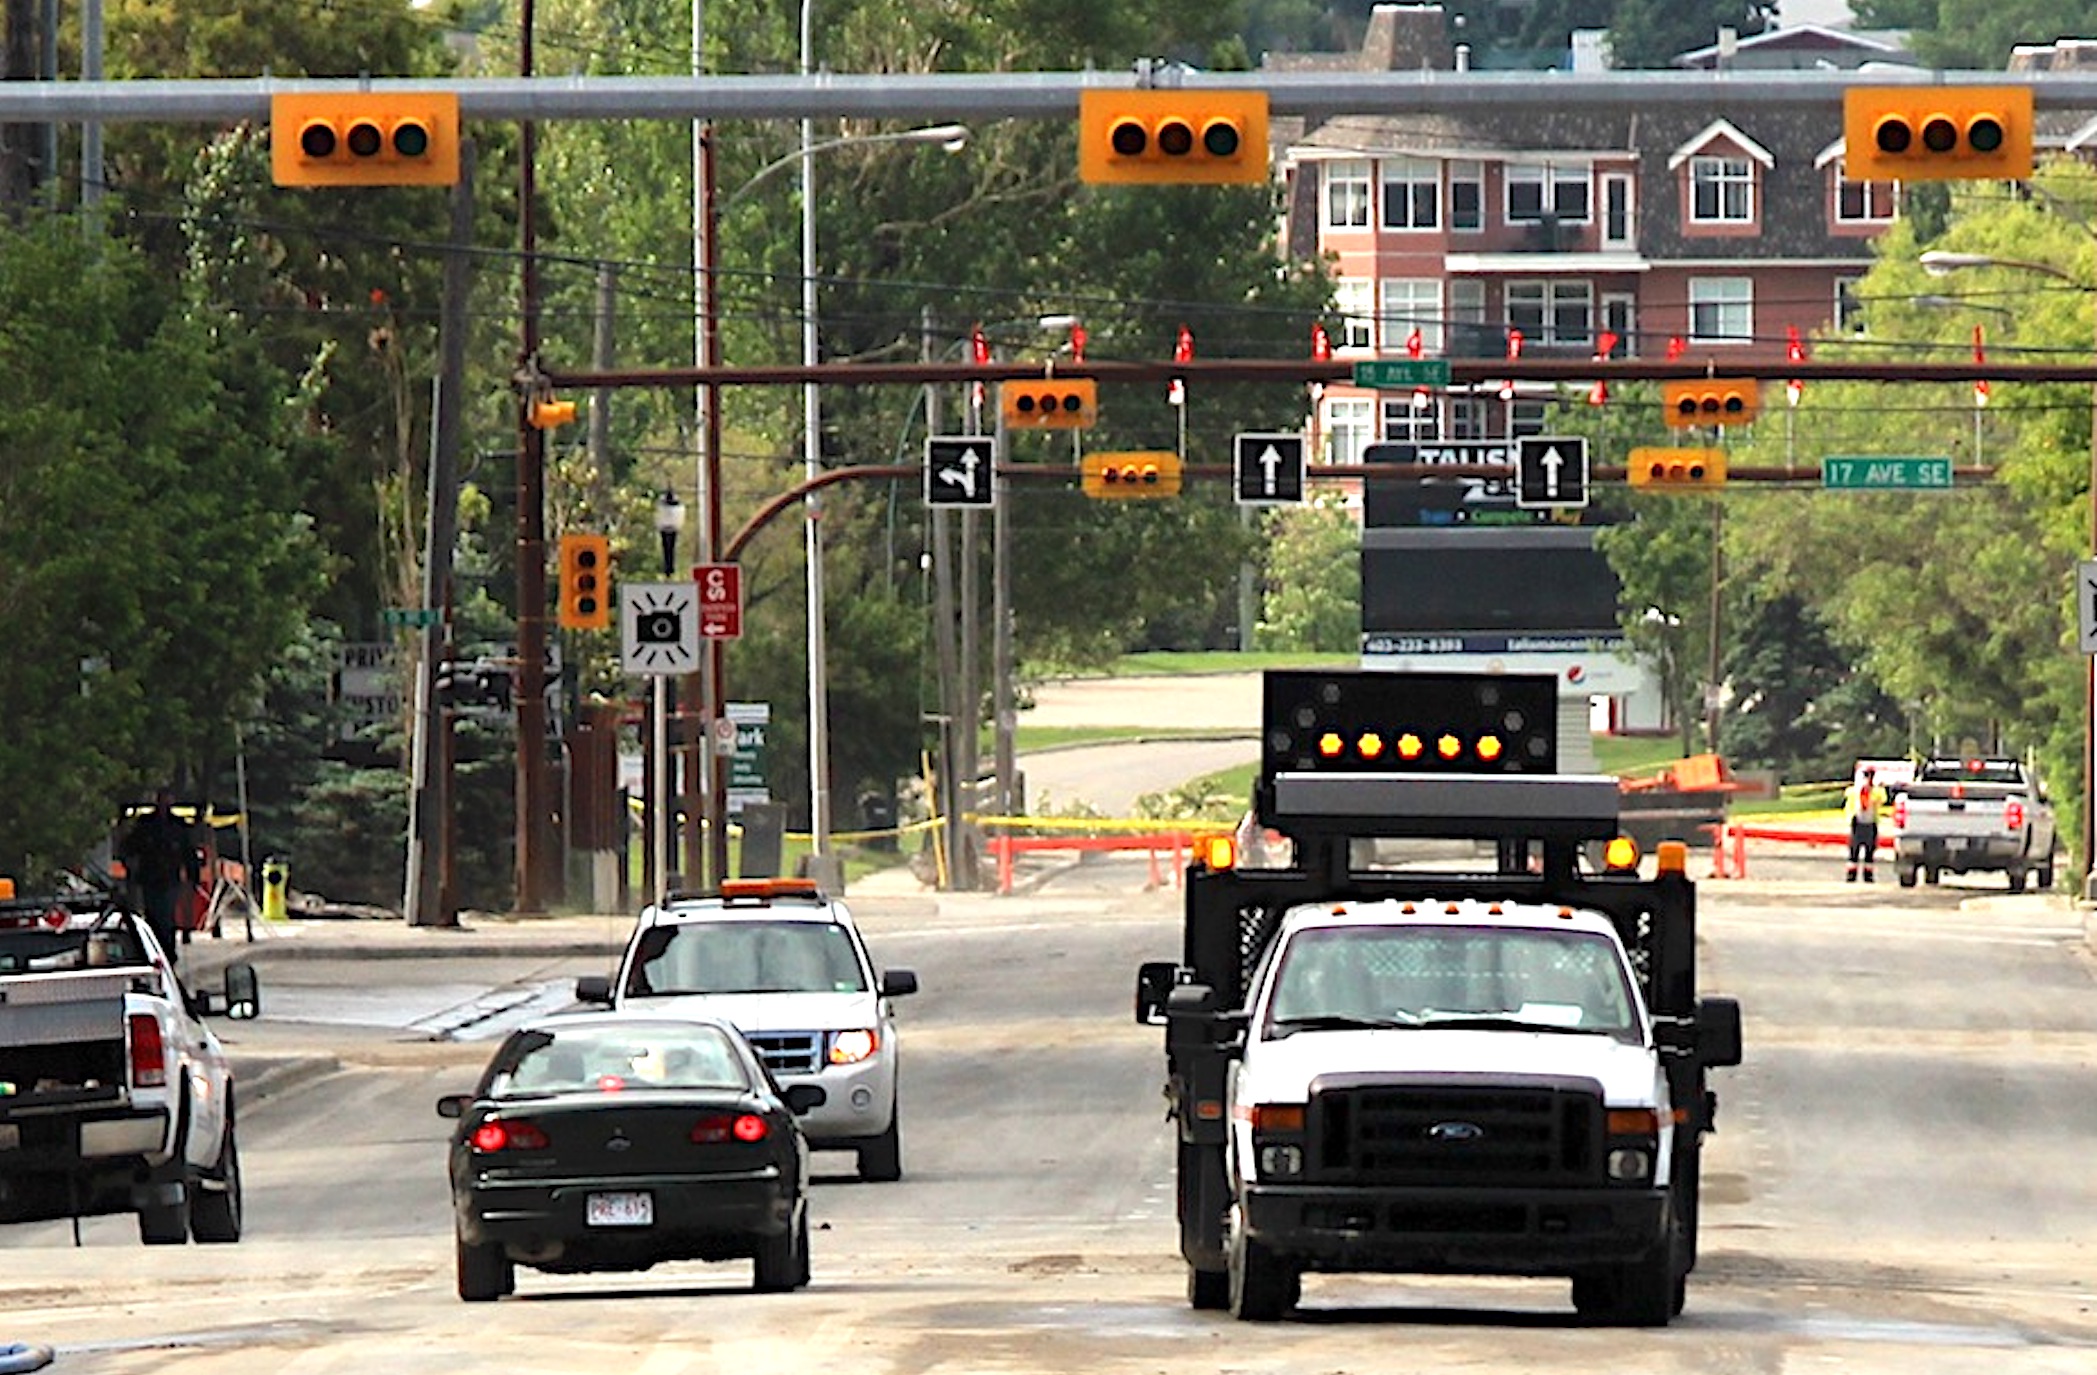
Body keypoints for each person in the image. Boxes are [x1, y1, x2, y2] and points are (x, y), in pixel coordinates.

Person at [117, 788, 203, 961]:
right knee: (153, 915)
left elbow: (188, 852)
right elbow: (128, 847)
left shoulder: (177, 825)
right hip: (150, 876)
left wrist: (194, 877)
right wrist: (131, 868)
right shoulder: (146, 824)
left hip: (170, 877)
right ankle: (154, 951)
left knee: (167, 916)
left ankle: (168, 951)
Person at [1844, 767, 1886, 883]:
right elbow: (1848, 796)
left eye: (1871, 776)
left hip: (1870, 823)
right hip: (1857, 823)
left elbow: (1882, 799)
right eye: (1866, 776)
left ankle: (1868, 875)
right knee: (1854, 850)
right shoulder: (1853, 791)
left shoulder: (1877, 792)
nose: (1868, 779)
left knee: (1870, 850)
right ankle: (1851, 875)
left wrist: (1875, 789)